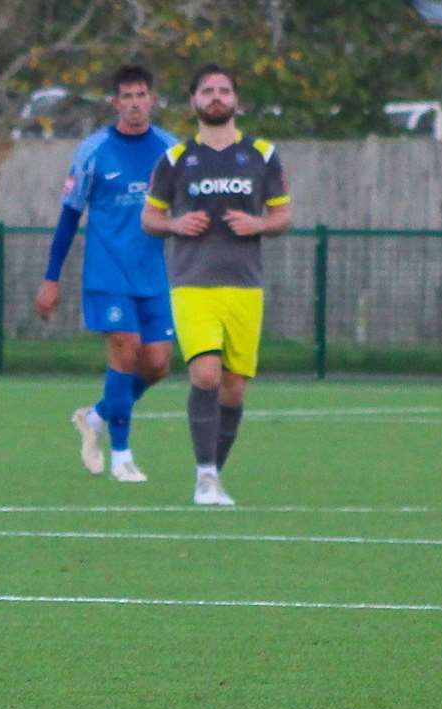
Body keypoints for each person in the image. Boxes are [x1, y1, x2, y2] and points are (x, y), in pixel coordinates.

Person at [141, 64, 291, 505]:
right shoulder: (174, 160)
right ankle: (205, 476)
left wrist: (259, 223)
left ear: (237, 101)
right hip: (193, 284)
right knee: (205, 373)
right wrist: (174, 223)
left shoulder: (262, 155)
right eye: (207, 90)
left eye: (224, 90)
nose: (216, 96)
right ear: (194, 102)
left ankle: (212, 475)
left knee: (234, 387)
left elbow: (284, 215)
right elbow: (149, 217)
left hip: (245, 286)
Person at [35, 65, 179, 482]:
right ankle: (122, 457)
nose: (135, 103)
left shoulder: (170, 151)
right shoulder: (93, 150)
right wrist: (50, 278)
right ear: (115, 103)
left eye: (142, 95)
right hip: (107, 273)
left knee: (156, 365)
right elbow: (69, 217)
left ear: (152, 100)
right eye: (127, 96)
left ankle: (95, 416)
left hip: (152, 276)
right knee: (126, 350)